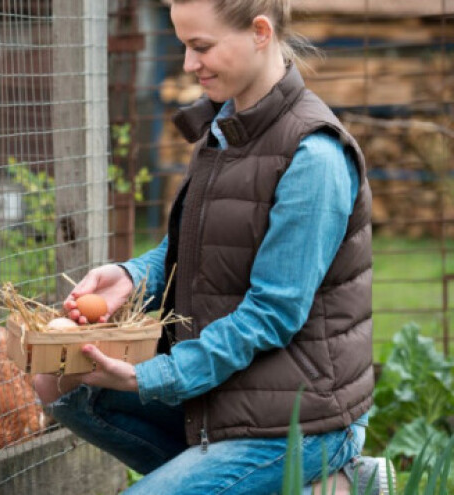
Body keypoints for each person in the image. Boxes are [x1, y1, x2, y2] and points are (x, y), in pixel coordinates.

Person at [32, 0, 392, 493]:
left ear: (260, 32)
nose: (187, 63)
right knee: (66, 387)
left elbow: (272, 313)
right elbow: (196, 251)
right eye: (183, 44)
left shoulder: (315, 155)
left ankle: (337, 472)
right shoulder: (226, 129)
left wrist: (152, 376)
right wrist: (134, 276)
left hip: (299, 419)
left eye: (201, 46)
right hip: (227, 390)